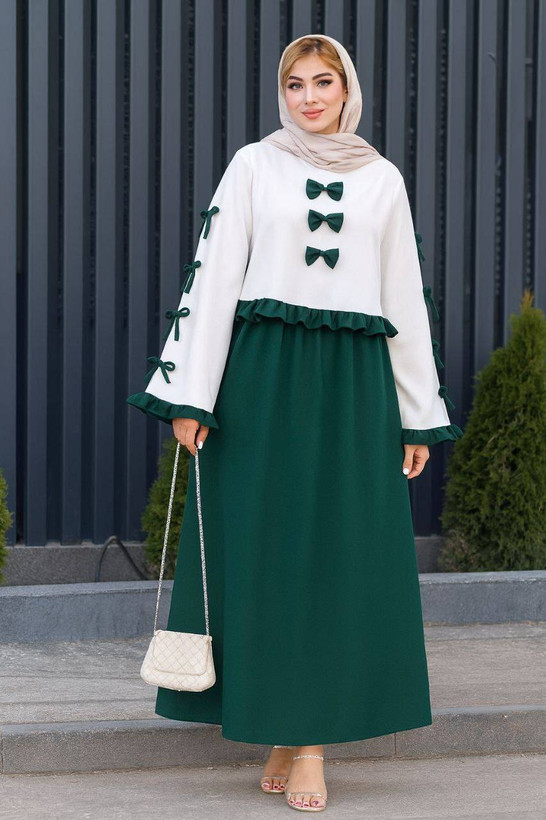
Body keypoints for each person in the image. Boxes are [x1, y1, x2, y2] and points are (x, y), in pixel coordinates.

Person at [127, 33, 463, 814]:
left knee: (337, 558)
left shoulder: (382, 179)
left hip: (352, 390)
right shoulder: (254, 164)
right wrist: (192, 396)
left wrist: (418, 415)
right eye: (295, 84)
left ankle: (308, 743)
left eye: (323, 82)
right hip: (260, 386)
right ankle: (286, 726)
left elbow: (404, 295)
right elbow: (213, 276)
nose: (309, 97)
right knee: (264, 558)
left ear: (348, 90)